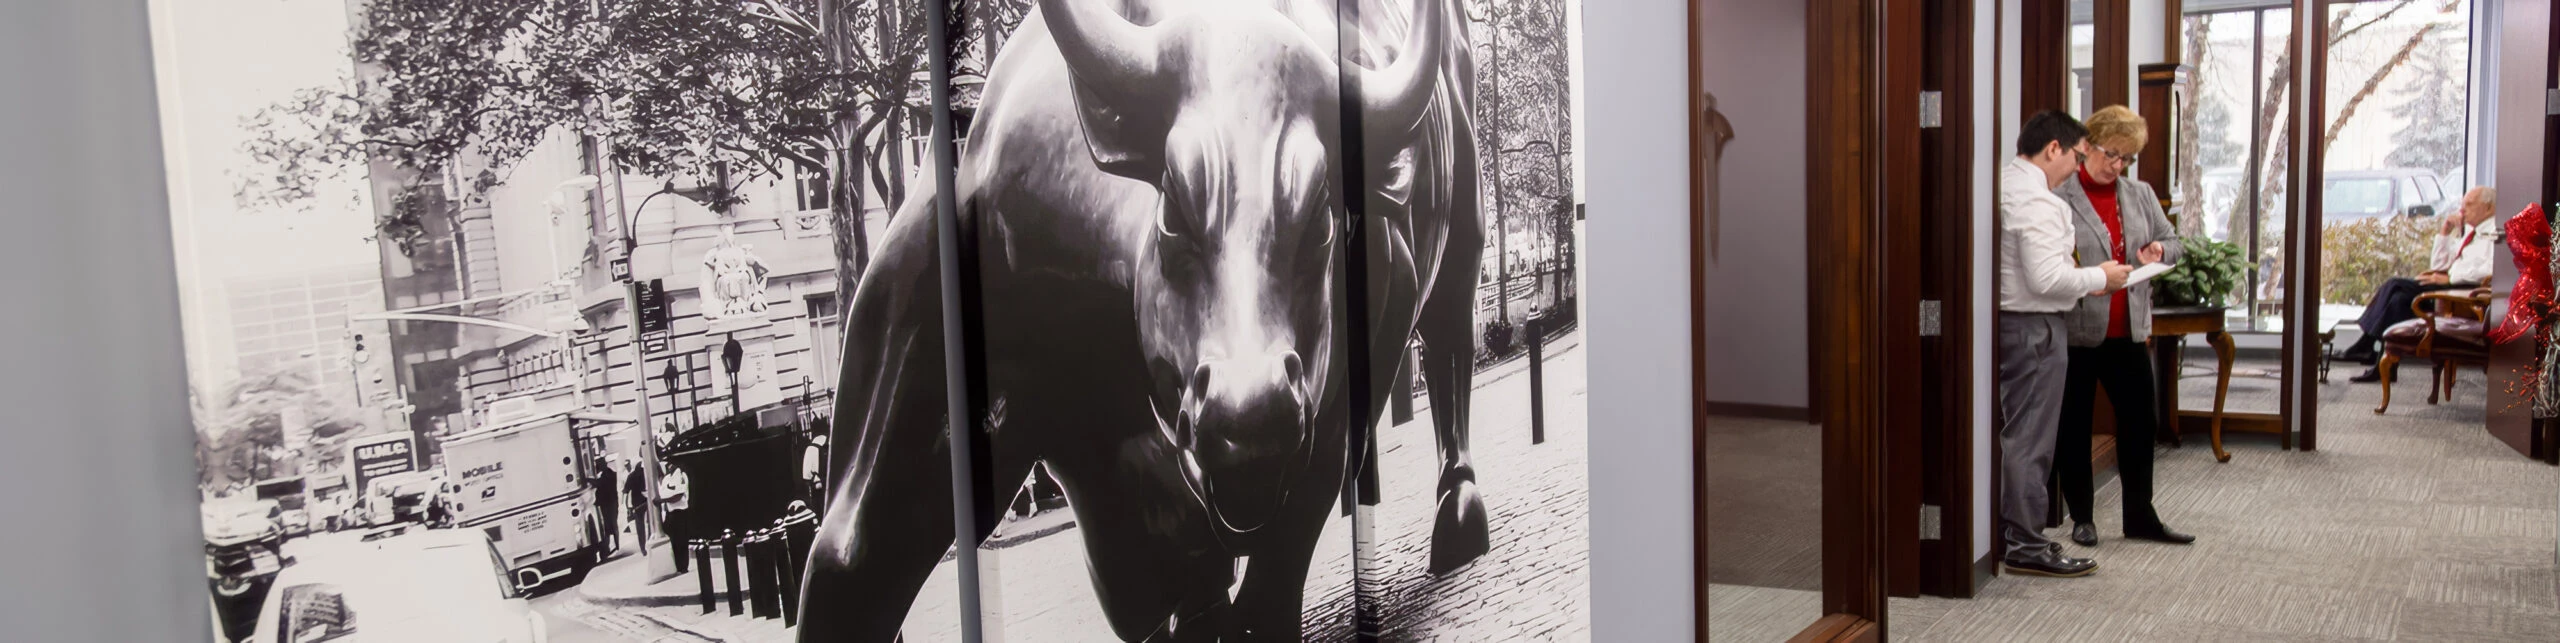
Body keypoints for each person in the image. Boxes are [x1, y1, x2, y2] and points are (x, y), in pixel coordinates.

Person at [2050, 106, 2196, 548]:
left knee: (2140, 420)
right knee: (2073, 424)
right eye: (2111, 155)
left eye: (2127, 159)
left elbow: (2175, 245)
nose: (2118, 166)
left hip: (2128, 331)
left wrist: (2157, 250)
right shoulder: (2059, 197)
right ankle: (2082, 517)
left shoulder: (2140, 194)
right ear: (2087, 147)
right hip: (2078, 331)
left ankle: (2139, 514)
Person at [1998, 110, 2130, 578]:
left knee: (2021, 435)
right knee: (2030, 439)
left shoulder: (2008, 183)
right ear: (2052, 148)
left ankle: (2020, 536)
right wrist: (2102, 276)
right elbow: (2047, 276)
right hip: (2035, 328)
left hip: (2022, 324)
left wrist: (2086, 281)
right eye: (2076, 156)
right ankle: (2025, 543)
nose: (2077, 167)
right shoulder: (2035, 200)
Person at [2340, 186, 2501, 381]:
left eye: (2469, 204)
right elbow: (2439, 264)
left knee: (2394, 284)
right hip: (2452, 284)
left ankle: (2366, 344)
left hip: (2464, 291)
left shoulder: (2494, 233)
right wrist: (2445, 232)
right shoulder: (2472, 232)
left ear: (2489, 208)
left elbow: (2491, 270)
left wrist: (2450, 278)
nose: (2462, 210)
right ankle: (2384, 366)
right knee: (2399, 300)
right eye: (2462, 204)